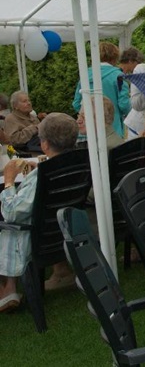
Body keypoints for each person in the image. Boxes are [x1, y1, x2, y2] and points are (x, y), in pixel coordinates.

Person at [1, 113, 80, 310]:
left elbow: (11, 213)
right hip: (64, 231)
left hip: (36, 239)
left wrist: (9, 180)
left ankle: (7, 289)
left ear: (44, 145)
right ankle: (12, 287)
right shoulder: (77, 165)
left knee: (6, 222)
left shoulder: (43, 176)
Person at [72, 42, 131, 138]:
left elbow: (76, 103)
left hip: (87, 131)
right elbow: (124, 105)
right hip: (111, 130)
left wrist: (88, 115)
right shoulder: (118, 76)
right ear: (115, 57)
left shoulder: (85, 75)